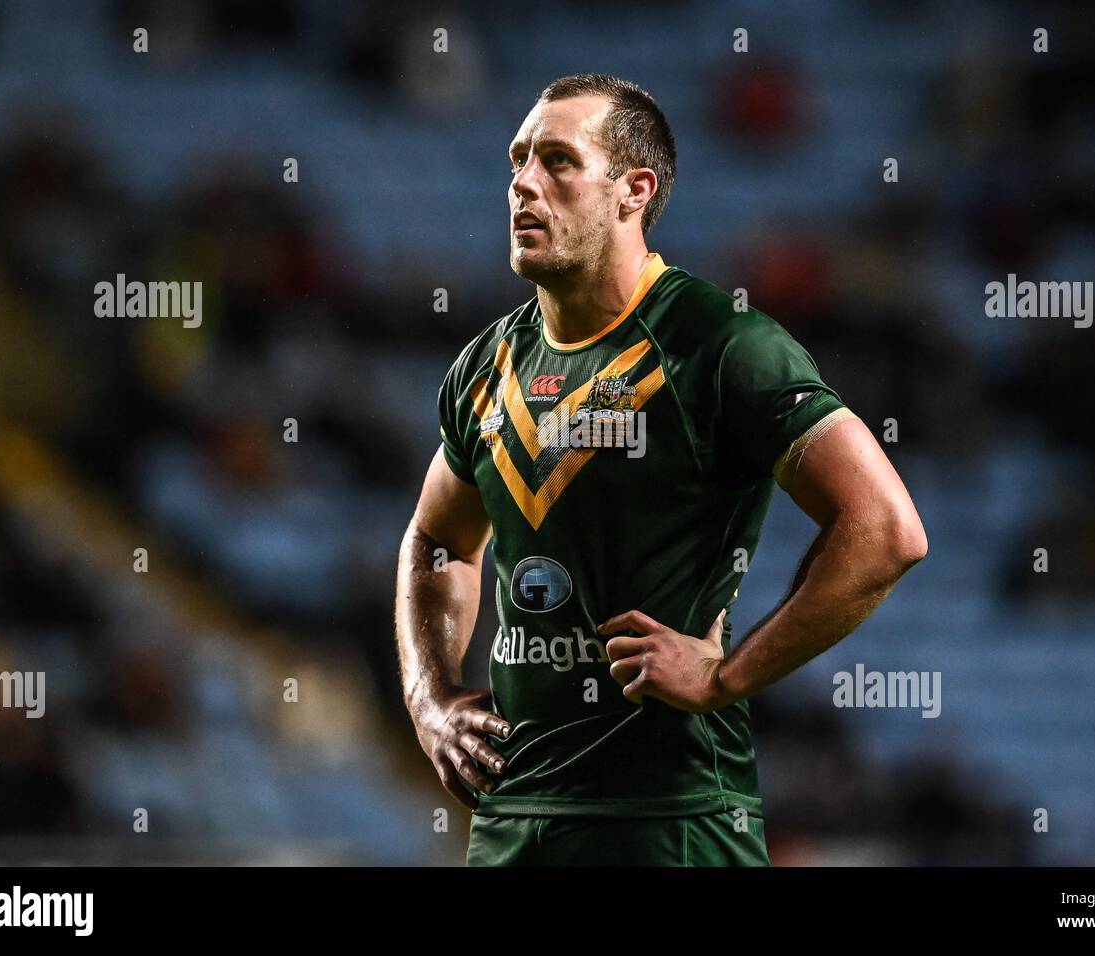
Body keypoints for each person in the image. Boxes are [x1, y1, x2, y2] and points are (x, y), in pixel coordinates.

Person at [395, 73, 927, 866]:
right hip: (514, 817)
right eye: (517, 160)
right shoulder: (488, 365)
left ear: (632, 190)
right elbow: (439, 541)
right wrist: (429, 699)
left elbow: (885, 530)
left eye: (557, 161)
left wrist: (726, 677)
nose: (522, 183)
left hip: (674, 818)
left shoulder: (722, 346)